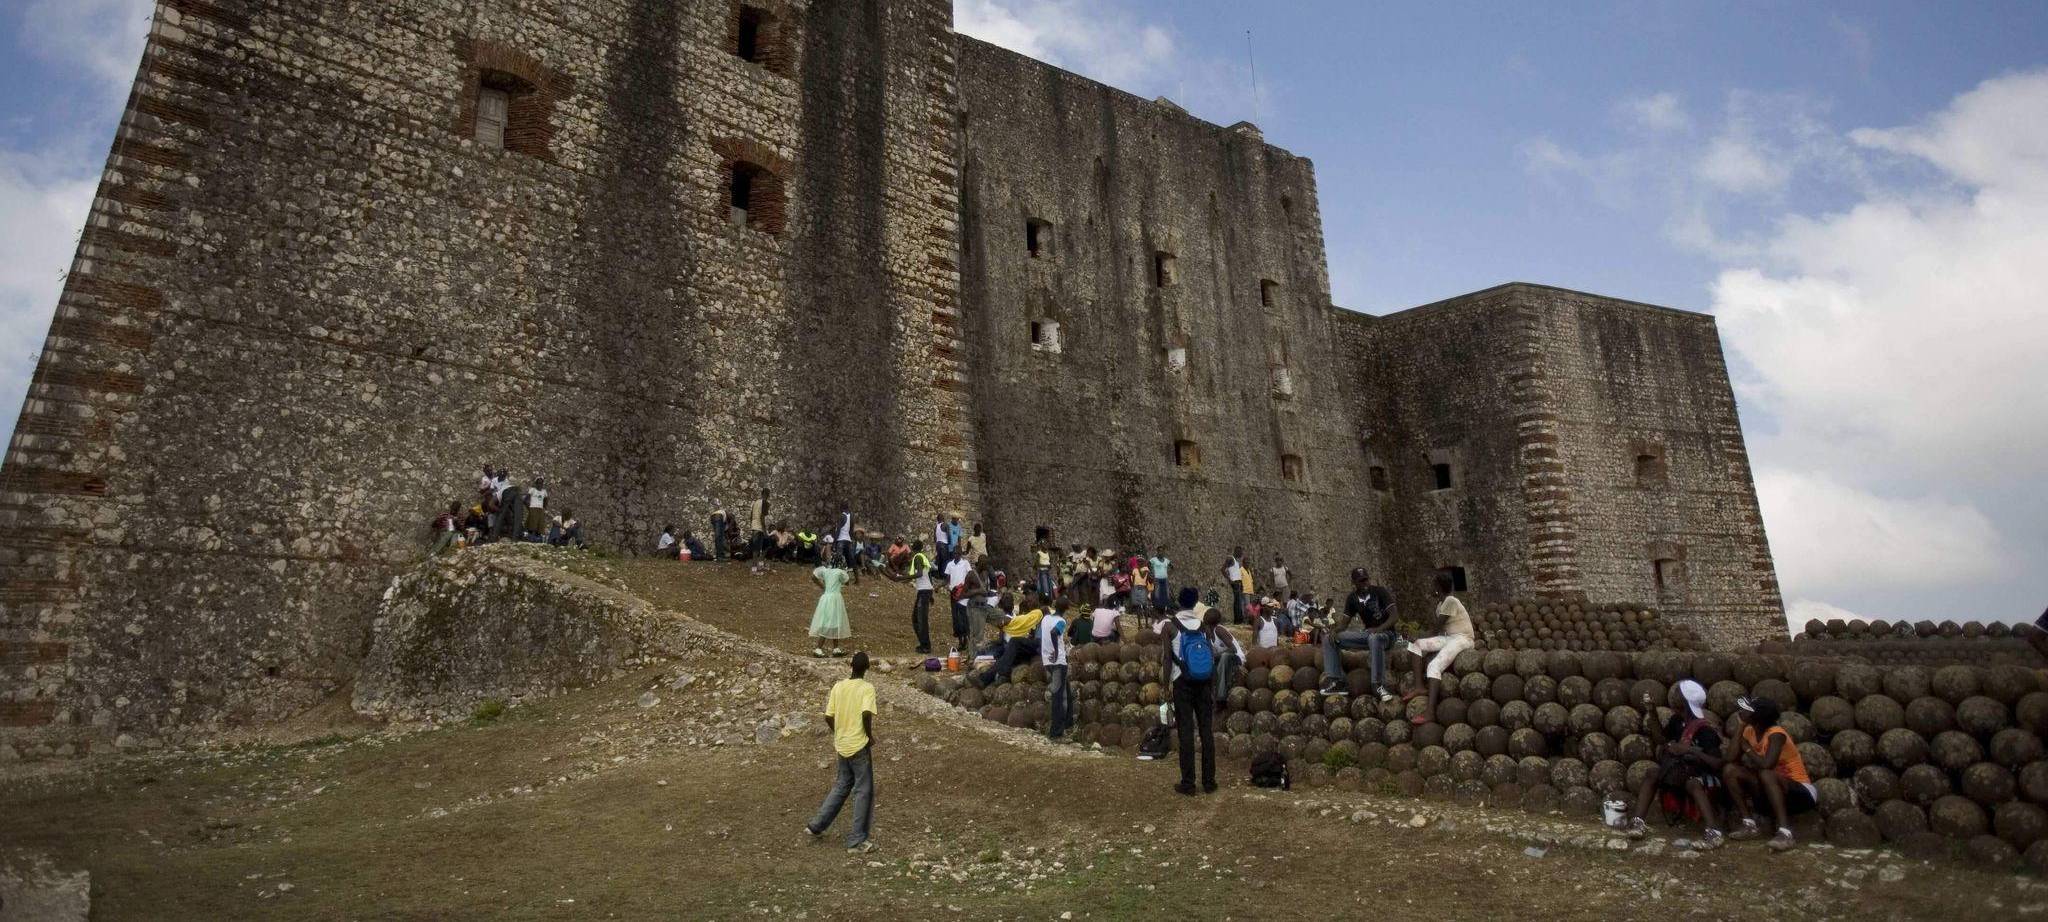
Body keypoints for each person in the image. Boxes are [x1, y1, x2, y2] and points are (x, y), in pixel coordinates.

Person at [1623, 679, 1725, 848]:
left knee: (1693, 784)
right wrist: (1652, 712)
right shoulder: (1677, 721)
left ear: (1685, 701)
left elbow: (1717, 763)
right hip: (1679, 770)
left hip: (1702, 775)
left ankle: (1713, 831)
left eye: (1678, 694)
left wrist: (1690, 750)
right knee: (1652, 774)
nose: (1673, 697)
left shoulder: (1705, 731)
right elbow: (1661, 740)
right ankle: (1638, 821)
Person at [1160, 587, 1241, 795]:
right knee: (1206, 732)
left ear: (1179, 601)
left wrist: (1165, 684)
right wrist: (1213, 686)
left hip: (1182, 682)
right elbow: (1210, 656)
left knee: (1186, 732)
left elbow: (1167, 658)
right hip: (1204, 682)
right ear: (1196, 602)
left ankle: (1188, 783)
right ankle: (1209, 781)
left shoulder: (1170, 626)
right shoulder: (1204, 626)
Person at [1722, 695, 1816, 851]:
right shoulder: (1749, 730)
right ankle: (1749, 825)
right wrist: (1740, 728)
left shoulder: (1776, 734)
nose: (1742, 711)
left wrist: (1746, 747)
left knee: (1766, 773)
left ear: (1757, 717)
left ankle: (1785, 833)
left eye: (1747, 710)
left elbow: (1767, 764)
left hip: (1801, 792)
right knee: (1730, 770)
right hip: (1771, 790)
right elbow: (1730, 758)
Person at [805, 651, 877, 853]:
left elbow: (828, 716)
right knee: (863, 790)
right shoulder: (867, 688)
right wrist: (869, 736)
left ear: (850, 666)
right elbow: (865, 713)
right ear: (867, 668)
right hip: (858, 745)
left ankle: (817, 825)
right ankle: (856, 840)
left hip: (842, 744)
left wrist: (839, 731)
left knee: (842, 785)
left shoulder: (839, 686)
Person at [1405, 572, 1474, 725]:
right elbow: (1439, 632)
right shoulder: (1440, 605)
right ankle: (1419, 687)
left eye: (1432, 585)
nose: (1430, 588)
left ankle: (1430, 712)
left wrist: (1418, 634)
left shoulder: (1451, 601)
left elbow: (1434, 631)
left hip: (1463, 638)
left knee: (1433, 666)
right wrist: (1418, 638)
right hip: (1450, 637)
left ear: (1438, 587)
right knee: (1415, 645)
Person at [1319, 568, 1398, 700]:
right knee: (1328, 639)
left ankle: (1378, 685)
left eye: (1366, 579)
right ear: (1354, 582)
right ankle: (1337, 681)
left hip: (1387, 634)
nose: (1365, 583)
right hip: (1368, 634)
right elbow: (1344, 624)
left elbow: (1394, 616)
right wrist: (1335, 630)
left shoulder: (1380, 592)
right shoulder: (1352, 598)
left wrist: (1379, 628)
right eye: (1361, 581)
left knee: (1374, 638)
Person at [977, 590, 1044, 688]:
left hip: (1039, 645)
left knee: (1014, 642)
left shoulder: (1038, 612)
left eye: (1031, 601)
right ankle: (985, 678)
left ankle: (997, 673)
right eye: (1027, 601)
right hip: (1030, 645)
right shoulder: (1030, 614)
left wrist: (1006, 622)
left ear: (1037, 601)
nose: (1029, 604)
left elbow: (1019, 622)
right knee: (1005, 656)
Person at [1041, 598, 1073, 742]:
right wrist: (1055, 650)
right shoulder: (1061, 622)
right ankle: (1056, 733)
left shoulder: (1046, 618)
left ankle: (1067, 724)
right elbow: (1054, 633)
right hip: (1058, 662)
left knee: (1065, 693)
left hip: (1047, 661)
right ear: (1066, 609)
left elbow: (1044, 612)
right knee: (1058, 697)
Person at [808, 558, 853, 657]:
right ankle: (818, 648)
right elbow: (847, 582)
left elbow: (814, 577)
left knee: (832, 621)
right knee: (831, 622)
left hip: (826, 597)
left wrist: (823, 586)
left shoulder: (825, 570)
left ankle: (836, 648)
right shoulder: (840, 572)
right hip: (835, 599)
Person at [897, 540, 935, 654]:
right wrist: (903, 579)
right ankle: (924, 644)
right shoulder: (923, 557)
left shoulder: (918, 557)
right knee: (917, 619)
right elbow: (927, 576)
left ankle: (926, 646)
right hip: (925, 591)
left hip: (924, 592)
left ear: (913, 548)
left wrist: (904, 577)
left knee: (920, 619)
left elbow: (918, 574)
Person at [1221, 548, 1248, 624]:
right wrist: (1230, 580)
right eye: (1240, 552)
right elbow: (1223, 569)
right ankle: (1238, 620)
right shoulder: (1230, 559)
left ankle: (1239, 619)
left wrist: (1241, 584)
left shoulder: (1236, 561)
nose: (1241, 554)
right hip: (1235, 583)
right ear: (1236, 551)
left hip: (1238, 583)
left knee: (1238, 602)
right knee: (1237, 602)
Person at [749, 488, 770, 563]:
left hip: (754, 526)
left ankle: (754, 565)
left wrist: (752, 525)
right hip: (760, 527)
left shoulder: (755, 503)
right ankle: (760, 562)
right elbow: (762, 517)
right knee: (767, 545)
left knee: (756, 548)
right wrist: (764, 531)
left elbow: (751, 516)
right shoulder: (765, 503)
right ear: (768, 495)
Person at [1148, 546, 1172, 611]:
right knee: (1157, 593)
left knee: (1166, 593)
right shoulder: (1153, 559)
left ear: (1164, 552)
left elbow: (1172, 566)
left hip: (1165, 579)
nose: (1161, 552)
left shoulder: (1166, 560)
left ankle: (1166, 607)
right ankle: (1157, 607)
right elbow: (1148, 564)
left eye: (1162, 551)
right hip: (1157, 579)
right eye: (1159, 551)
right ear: (1157, 552)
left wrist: (1168, 573)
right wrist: (1151, 573)